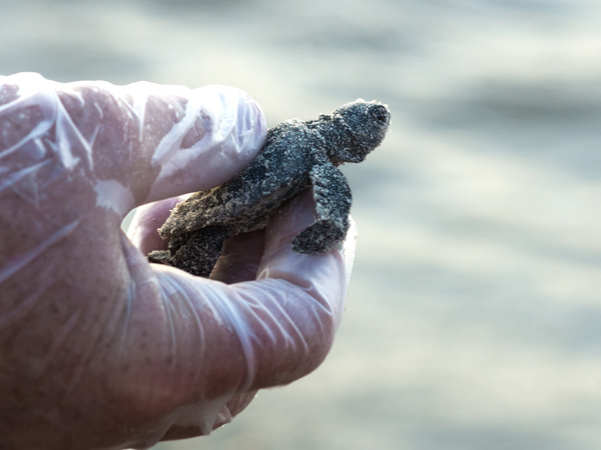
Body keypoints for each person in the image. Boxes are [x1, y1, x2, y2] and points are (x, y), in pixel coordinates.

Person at [0, 73, 355, 449]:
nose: (381, 120)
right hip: (219, 217)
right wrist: (330, 229)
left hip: (208, 214)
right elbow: (333, 206)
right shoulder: (317, 155)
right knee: (193, 264)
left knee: (190, 256)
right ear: (352, 138)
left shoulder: (297, 137)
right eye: (376, 122)